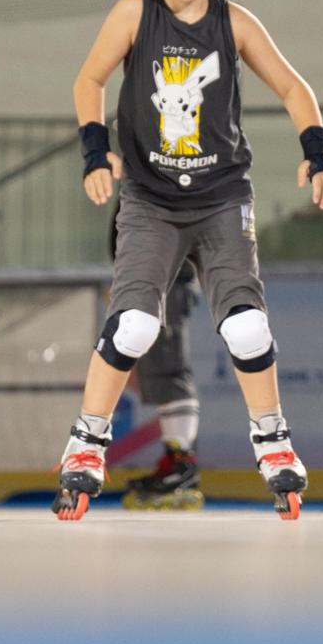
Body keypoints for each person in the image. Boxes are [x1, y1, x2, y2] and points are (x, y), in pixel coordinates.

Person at [55, 0, 323, 522]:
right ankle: (86, 442)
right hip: (150, 200)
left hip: (221, 199)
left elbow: (292, 86)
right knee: (134, 325)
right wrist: (95, 154)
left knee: (247, 327)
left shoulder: (233, 23)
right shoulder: (136, 13)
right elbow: (88, 80)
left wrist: (318, 155)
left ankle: (272, 439)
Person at [110, 204, 204, 511]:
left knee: (169, 370)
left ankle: (182, 464)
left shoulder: (167, 177)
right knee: (162, 370)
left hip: (166, 274)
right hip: (154, 274)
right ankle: (178, 461)